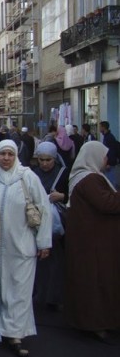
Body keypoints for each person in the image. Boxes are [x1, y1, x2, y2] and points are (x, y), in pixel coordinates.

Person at [0, 140, 51, 357]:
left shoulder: (27, 178)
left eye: (10, 154)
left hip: (22, 245)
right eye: (2, 154)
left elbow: (44, 209)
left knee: (19, 291)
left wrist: (44, 242)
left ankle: (15, 334)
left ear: (16, 156)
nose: (6, 158)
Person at [64, 141, 120, 343]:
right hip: (94, 246)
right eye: (104, 156)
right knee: (97, 285)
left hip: (88, 243)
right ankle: (96, 323)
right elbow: (107, 203)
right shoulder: (90, 179)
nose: (106, 161)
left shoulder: (82, 177)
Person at [31, 142, 69, 311]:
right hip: (36, 223)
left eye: (48, 160)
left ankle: (54, 296)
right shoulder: (32, 174)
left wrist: (62, 196)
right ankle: (39, 294)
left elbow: (73, 194)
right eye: (41, 160)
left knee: (55, 262)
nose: (44, 163)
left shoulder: (63, 173)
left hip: (56, 227)